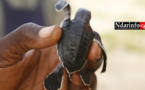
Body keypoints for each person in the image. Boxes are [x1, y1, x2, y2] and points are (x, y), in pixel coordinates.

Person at [0, 23, 103, 90]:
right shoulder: (91, 31)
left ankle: (70, 71)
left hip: (56, 59)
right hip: (66, 60)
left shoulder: (65, 18)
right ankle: (78, 71)